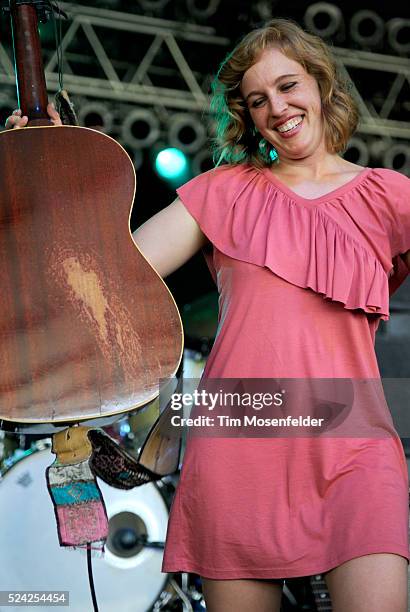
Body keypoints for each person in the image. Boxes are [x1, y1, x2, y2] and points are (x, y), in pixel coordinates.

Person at [7, 18, 410, 612]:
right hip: (239, 439)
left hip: (352, 438)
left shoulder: (388, 196)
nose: (278, 106)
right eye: (257, 99)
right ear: (247, 116)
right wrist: (39, 167)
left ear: (322, 87)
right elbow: (101, 278)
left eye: (289, 85)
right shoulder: (223, 192)